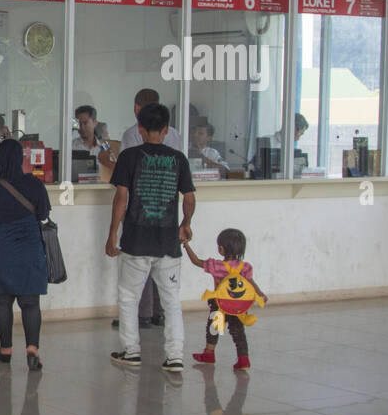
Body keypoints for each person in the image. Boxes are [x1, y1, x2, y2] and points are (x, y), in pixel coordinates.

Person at [106, 102, 196, 375]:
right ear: (167, 130)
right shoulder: (179, 159)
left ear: (141, 129)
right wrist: (186, 223)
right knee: (171, 300)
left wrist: (112, 234)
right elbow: (189, 198)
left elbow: (122, 197)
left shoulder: (130, 156)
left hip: (136, 240)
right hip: (167, 241)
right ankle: (175, 357)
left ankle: (131, 352)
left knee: (129, 297)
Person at [101, 89, 185, 329]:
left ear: (138, 109)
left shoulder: (131, 134)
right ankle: (161, 313)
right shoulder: (176, 136)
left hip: (140, 208)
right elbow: (187, 192)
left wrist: (113, 230)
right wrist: (186, 221)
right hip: (167, 210)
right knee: (164, 262)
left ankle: (142, 315)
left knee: (140, 263)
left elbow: (124, 187)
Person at [0, 138, 50, 370]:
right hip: (30, 250)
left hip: (0, 251)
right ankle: (32, 349)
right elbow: (43, 213)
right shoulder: (34, 185)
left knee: (2, 300)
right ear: (21, 159)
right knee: (31, 302)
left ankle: (5, 349)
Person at [185, 228, 267, 370]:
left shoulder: (217, 266)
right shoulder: (245, 267)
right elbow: (251, 283)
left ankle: (209, 353)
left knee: (213, 328)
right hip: (238, 306)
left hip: (219, 305)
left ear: (221, 249)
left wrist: (186, 245)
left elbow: (196, 261)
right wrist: (260, 294)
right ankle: (243, 359)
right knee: (238, 330)